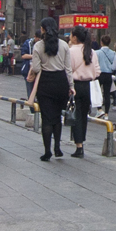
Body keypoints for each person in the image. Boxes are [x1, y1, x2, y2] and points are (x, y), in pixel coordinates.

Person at [28, 18, 71, 162]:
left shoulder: (38, 46)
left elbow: (36, 68)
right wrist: (71, 86)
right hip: (61, 82)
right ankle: (57, 148)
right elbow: (68, 68)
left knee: (46, 118)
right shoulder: (64, 45)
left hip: (45, 82)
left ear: (43, 29)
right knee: (57, 116)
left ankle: (47, 151)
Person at [66, 27, 97, 157]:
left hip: (75, 86)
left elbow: (67, 70)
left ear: (74, 37)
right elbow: (97, 71)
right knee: (83, 115)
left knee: (76, 115)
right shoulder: (91, 51)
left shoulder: (70, 51)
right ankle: (81, 141)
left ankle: (79, 146)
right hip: (88, 86)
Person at [96, 33, 116, 121]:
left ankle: (99, 109)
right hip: (108, 74)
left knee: (98, 92)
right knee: (107, 94)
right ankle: (106, 113)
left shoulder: (97, 52)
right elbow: (114, 65)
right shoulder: (113, 53)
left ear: (101, 42)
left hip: (99, 74)